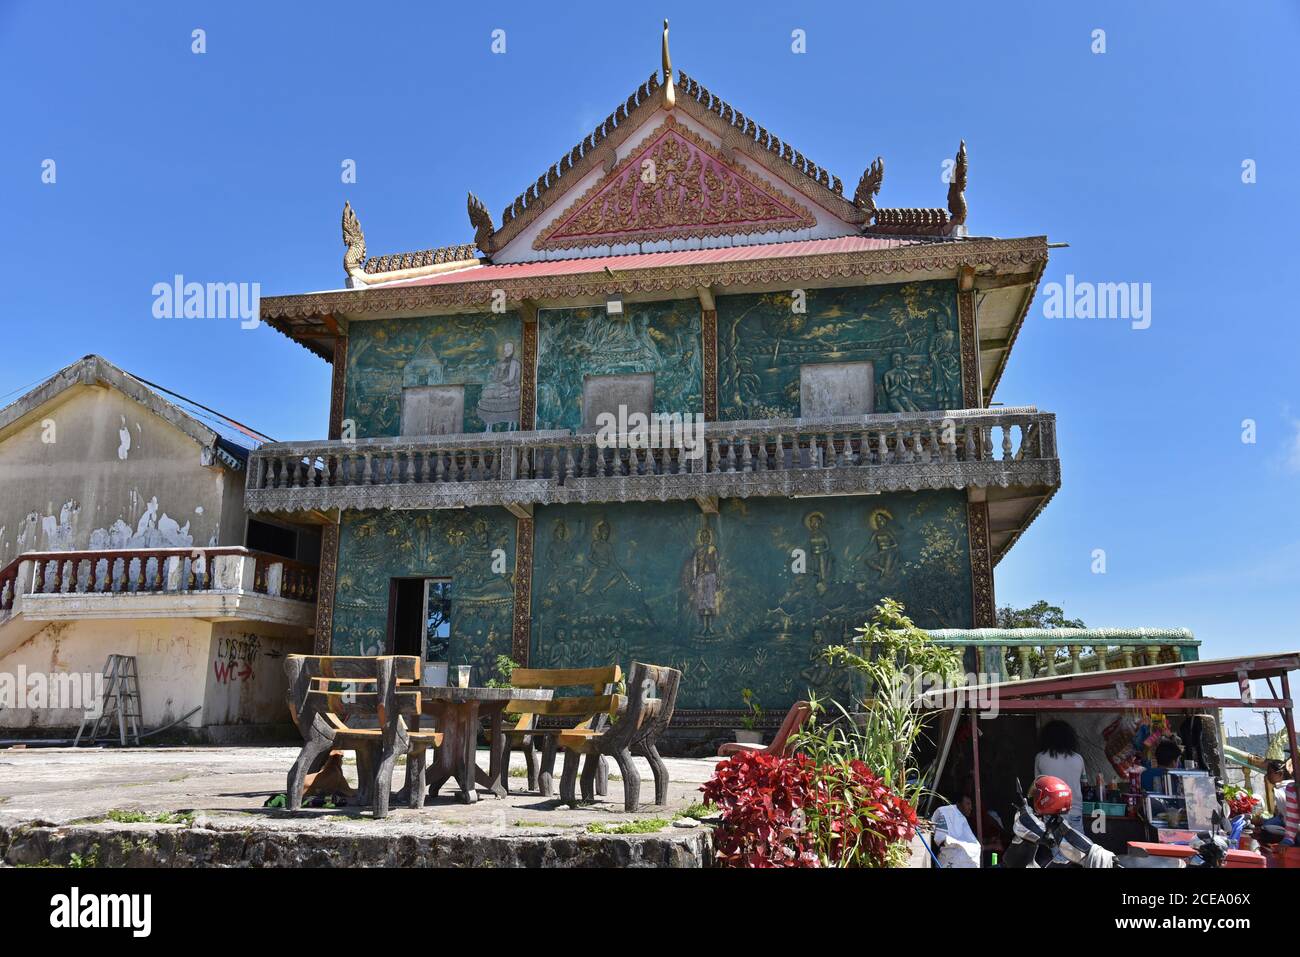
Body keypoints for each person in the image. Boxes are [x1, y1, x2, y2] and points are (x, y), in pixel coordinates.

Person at [1034, 720, 1086, 838]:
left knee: (1055, 848)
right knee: (1079, 848)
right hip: (1074, 811)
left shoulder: (1040, 758)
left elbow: (1038, 787)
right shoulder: (1078, 759)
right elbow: (1084, 783)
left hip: (1051, 813)